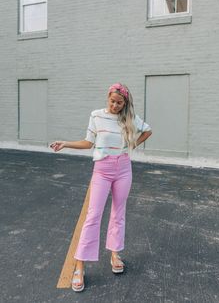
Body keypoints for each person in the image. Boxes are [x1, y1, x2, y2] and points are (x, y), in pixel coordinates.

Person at [50, 83, 152, 292]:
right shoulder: (96, 115)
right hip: (102, 169)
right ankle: (80, 266)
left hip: (124, 168)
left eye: (119, 103)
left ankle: (115, 253)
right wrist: (65, 143)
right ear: (107, 98)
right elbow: (88, 142)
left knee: (118, 213)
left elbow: (148, 130)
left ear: (125, 103)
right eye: (112, 101)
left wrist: (132, 145)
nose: (115, 105)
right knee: (93, 216)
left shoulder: (129, 118)